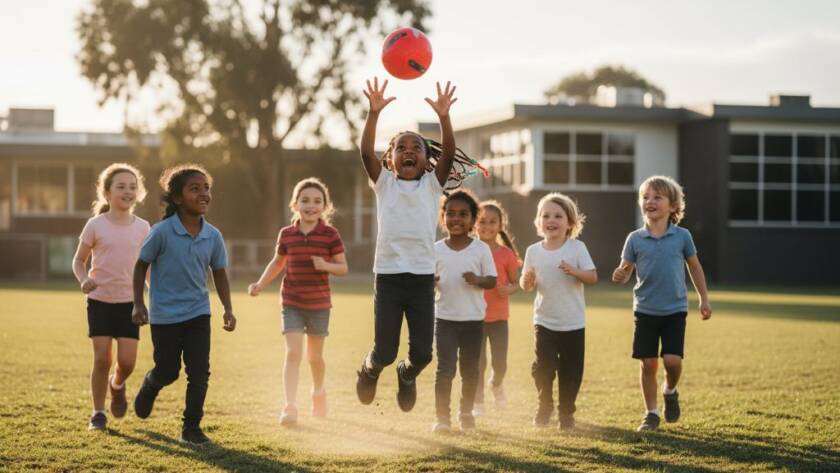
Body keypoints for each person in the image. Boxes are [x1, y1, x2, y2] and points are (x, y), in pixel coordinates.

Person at [355, 77, 472, 412]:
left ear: (426, 160)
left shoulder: (432, 186)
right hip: (389, 278)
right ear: (390, 159)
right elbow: (365, 151)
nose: (408, 151)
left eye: (416, 148)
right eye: (400, 148)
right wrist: (373, 113)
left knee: (422, 354)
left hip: (421, 278)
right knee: (386, 351)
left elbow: (449, 153)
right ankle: (370, 368)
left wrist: (445, 117)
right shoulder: (384, 183)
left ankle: (407, 375)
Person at [131, 164, 236, 445]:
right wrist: (138, 304)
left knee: (199, 371)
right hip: (165, 314)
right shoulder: (162, 232)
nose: (204, 193)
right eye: (195, 188)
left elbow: (220, 272)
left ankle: (191, 428)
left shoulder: (213, 235)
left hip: (198, 312)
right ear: (177, 198)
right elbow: (140, 266)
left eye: (206, 188)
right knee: (168, 371)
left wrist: (227, 308)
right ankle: (151, 384)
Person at [612, 175, 712, 432]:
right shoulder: (634, 239)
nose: (650, 201)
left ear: (673, 205)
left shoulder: (682, 236)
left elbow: (695, 267)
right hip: (644, 310)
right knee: (648, 364)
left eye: (657, 197)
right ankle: (651, 414)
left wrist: (704, 298)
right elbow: (625, 269)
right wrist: (620, 274)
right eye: (645, 197)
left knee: (672, 361)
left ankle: (670, 390)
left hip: (674, 310)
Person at [248, 177, 347, 426]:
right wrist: (260, 284)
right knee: (293, 353)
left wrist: (326, 265)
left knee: (315, 358)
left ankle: (318, 392)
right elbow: (277, 262)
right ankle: (290, 406)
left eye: (316, 201)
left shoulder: (330, 235)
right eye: (305, 200)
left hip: (319, 305)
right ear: (295, 205)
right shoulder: (287, 234)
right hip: (291, 302)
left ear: (324, 206)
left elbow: (343, 268)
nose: (310, 205)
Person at [72, 163, 150, 430]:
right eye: (120, 186)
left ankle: (117, 385)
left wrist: (155, 294)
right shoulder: (95, 225)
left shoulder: (143, 227)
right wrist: (84, 280)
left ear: (138, 193)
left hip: (131, 303)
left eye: (132, 187)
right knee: (102, 358)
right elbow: (78, 261)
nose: (127, 191)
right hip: (100, 300)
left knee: (127, 362)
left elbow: (146, 267)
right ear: (107, 193)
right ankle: (98, 413)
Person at [520, 193, 597, 430]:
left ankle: (566, 414)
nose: (550, 220)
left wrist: (575, 271)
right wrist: (528, 280)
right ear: (538, 221)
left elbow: (592, 277)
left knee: (571, 372)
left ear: (570, 223)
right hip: (544, 321)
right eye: (545, 215)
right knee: (543, 367)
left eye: (557, 216)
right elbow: (525, 285)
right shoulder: (533, 251)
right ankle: (545, 404)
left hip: (573, 322)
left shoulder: (577, 248)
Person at [432, 189, 497, 432]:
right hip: (445, 319)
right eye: (450, 214)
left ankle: (466, 413)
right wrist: (431, 281)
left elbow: (492, 280)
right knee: (445, 370)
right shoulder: (436, 249)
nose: (456, 219)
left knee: (470, 371)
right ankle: (442, 418)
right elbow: (428, 281)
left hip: (473, 321)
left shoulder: (480, 249)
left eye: (463, 214)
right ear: (443, 217)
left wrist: (477, 279)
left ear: (472, 220)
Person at [472, 200, 520, 416]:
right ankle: (478, 402)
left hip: (499, 317)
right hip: (474, 316)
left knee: (500, 363)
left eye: (492, 222)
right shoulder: (469, 250)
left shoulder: (507, 254)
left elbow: (516, 283)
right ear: (474, 223)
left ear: (501, 224)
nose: (487, 226)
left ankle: (496, 384)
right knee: (477, 363)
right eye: (482, 221)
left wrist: (508, 290)